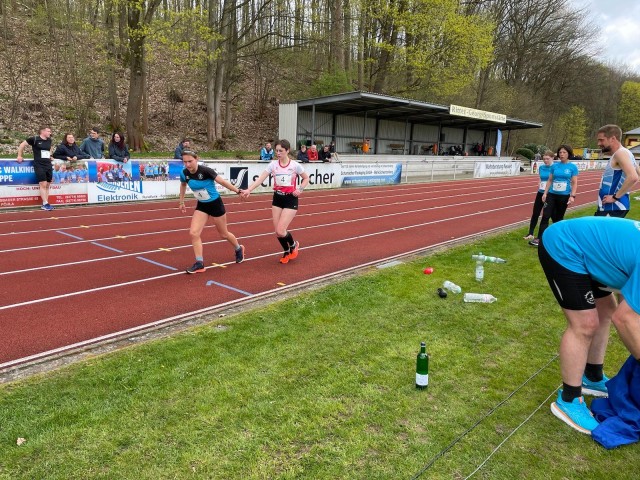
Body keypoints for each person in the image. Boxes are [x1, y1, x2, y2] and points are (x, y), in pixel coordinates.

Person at [538, 216, 640, 435]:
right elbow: (626, 319)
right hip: (564, 247)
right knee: (585, 324)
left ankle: (592, 378)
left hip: (590, 252)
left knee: (605, 311)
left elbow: (629, 304)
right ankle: (569, 400)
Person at [242, 139, 310, 264]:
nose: (278, 153)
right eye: (276, 151)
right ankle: (286, 251)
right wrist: (249, 189)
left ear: (287, 151)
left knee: (280, 230)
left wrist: (300, 189)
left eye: (281, 151)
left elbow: (306, 178)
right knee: (278, 232)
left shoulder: (295, 165)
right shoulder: (273, 165)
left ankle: (294, 245)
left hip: (290, 199)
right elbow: (261, 178)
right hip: (277, 198)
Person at [178, 149, 245, 273]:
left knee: (223, 234)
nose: (187, 165)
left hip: (215, 204)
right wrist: (181, 201)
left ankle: (238, 248)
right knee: (193, 233)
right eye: (185, 162)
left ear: (196, 159)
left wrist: (237, 191)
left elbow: (223, 182)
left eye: (190, 161)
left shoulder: (206, 171)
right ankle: (199, 263)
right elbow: (183, 185)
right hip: (202, 205)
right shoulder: (184, 173)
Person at [529, 145, 578, 247]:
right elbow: (550, 180)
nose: (562, 154)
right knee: (545, 216)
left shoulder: (572, 167)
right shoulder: (554, 166)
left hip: (564, 196)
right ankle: (539, 239)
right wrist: (545, 193)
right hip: (551, 194)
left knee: (558, 218)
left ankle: (561, 238)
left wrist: (572, 196)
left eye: (564, 152)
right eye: (560, 152)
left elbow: (574, 183)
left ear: (568, 153)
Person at [595, 124, 638, 217]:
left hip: (613, 207)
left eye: (601, 140)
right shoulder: (626, 153)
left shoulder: (620, 153)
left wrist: (615, 197)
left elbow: (633, 177)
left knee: (599, 231)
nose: (599, 143)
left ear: (613, 138)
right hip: (612, 206)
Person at [16, 127, 55, 211]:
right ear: (43, 131)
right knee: (43, 184)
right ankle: (45, 203)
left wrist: (51, 155)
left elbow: (50, 148)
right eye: (48, 131)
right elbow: (22, 145)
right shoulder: (34, 139)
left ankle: (46, 202)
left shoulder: (49, 140)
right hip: (39, 164)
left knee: (48, 184)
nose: (50, 133)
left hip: (48, 164)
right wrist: (19, 155)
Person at [524, 151, 554, 241]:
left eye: (547, 159)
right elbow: (541, 178)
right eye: (544, 159)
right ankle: (530, 233)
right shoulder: (541, 168)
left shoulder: (555, 168)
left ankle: (544, 235)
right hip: (540, 192)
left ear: (552, 158)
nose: (545, 160)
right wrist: (540, 184)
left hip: (550, 194)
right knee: (535, 213)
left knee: (547, 215)